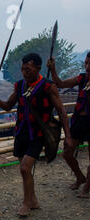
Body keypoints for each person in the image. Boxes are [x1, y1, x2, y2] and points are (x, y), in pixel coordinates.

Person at [0, 53, 72, 216]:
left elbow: (61, 110)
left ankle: (26, 204)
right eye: (22, 68)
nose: (24, 72)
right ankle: (33, 199)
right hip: (21, 132)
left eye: (28, 68)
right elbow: (7, 106)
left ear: (38, 68)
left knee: (26, 168)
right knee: (24, 168)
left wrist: (67, 135)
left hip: (39, 133)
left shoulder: (48, 87)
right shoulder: (19, 86)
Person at [47, 52, 90, 197]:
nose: (88, 67)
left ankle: (86, 188)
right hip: (79, 121)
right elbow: (60, 84)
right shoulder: (82, 78)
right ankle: (80, 177)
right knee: (67, 152)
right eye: (86, 63)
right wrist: (53, 69)